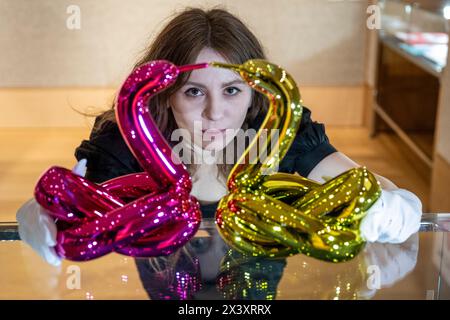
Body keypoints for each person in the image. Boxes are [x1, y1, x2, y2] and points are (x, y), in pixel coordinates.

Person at [16, 8, 422, 266]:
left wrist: (397, 206)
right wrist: (39, 213)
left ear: (255, 92)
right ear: (165, 92)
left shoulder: (281, 132)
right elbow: (69, 202)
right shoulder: (126, 141)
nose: (215, 112)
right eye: (194, 91)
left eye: (231, 90)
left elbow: (371, 187)